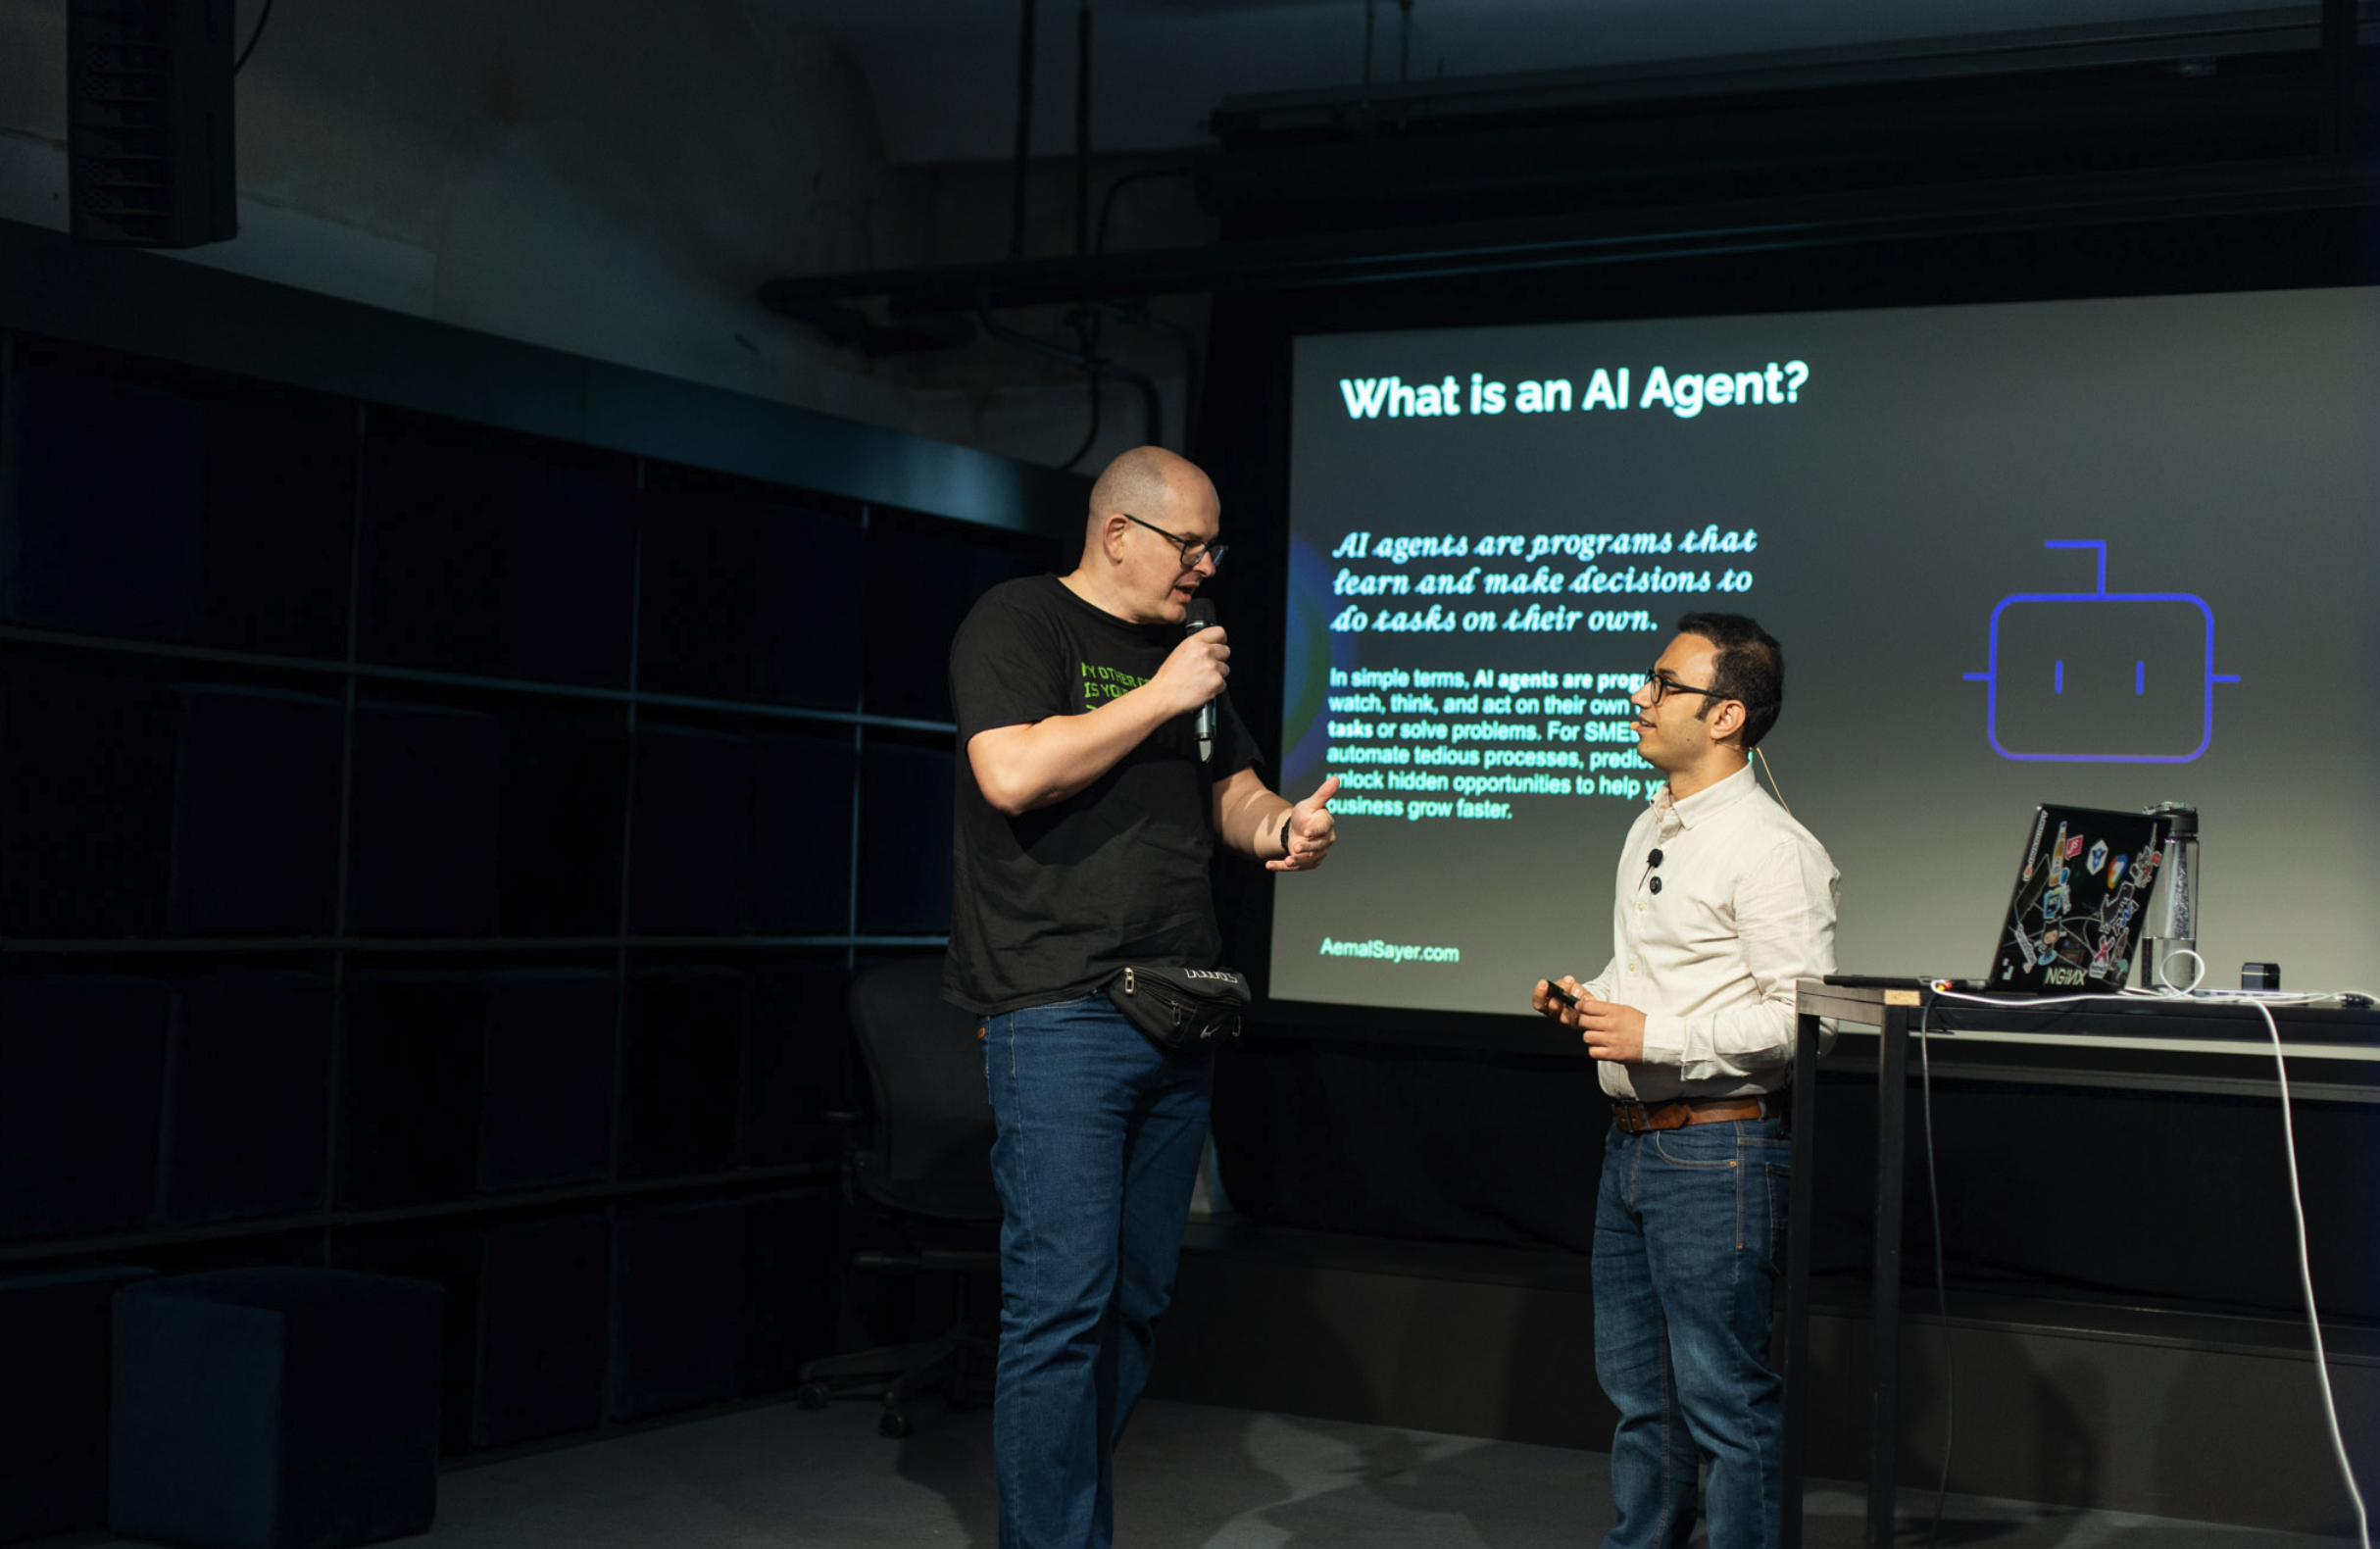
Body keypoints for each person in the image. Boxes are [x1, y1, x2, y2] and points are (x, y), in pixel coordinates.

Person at [945, 445, 1339, 1549]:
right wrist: (1162, 694)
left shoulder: (1189, 651)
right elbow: (1012, 773)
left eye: (1213, 548)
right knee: (1061, 1305)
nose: (1205, 568)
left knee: (1134, 1302)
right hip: (1059, 1008)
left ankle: (1073, 1526)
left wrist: (1280, 826)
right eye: (1188, 545)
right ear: (1117, 531)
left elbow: (1229, 787)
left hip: (1178, 1007)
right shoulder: (1020, 622)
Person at [1533, 612, 1838, 1549]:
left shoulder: (1774, 848)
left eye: (1666, 684)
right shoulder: (1651, 822)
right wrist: (1592, 1000)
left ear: (1726, 716)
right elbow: (1662, 972)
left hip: (1719, 1150)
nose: (1642, 696)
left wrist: (1654, 1035)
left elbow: (1803, 1023)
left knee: (1724, 1404)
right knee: (1641, 1399)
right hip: (1632, 1149)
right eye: (1650, 678)